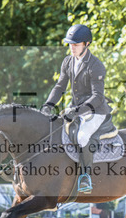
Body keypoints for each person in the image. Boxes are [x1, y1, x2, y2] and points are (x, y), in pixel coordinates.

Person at [41, 24, 112, 193]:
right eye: (70, 44)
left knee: (82, 136)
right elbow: (60, 87)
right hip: (75, 109)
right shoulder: (68, 61)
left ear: (87, 44)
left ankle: (85, 177)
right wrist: (48, 105)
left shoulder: (96, 65)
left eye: (76, 44)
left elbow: (97, 97)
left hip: (95, 111)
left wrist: (77, 111)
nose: (72, 47)